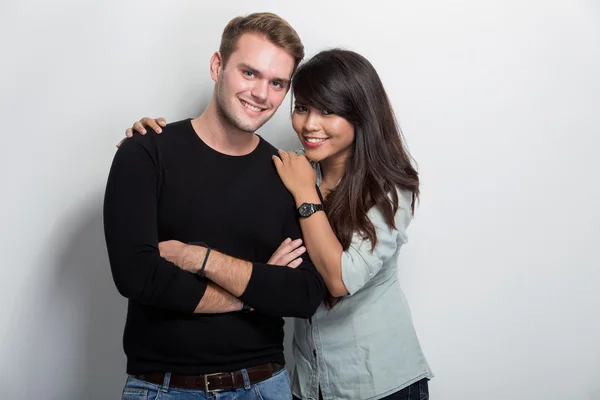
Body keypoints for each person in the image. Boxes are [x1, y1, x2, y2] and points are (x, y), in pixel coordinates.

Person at [122, 48, 434, 399]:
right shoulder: (289, 168)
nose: (309, 125)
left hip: (380, 381)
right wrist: (148, 143)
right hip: (309, 382)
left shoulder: (387, 188)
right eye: (302, 108)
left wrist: (304, 193)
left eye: (328, 111)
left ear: (361, 115)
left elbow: (339, 279)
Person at [103, 12, 327, 400]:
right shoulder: (145, 152)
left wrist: (199, 259)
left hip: (263, 386)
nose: (261, 94)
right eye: (250, 73)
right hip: (164, 388)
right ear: (217, 65)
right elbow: (138, 277)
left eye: (277, 83)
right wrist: (255, 292)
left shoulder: (289, 172)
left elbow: (303, 294)